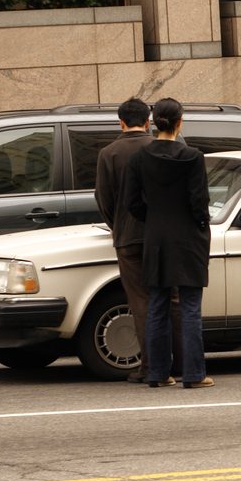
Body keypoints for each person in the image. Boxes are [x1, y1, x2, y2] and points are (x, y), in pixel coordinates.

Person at [125, 98, 214, 389]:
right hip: (188, 237)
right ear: (180, 122)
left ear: (154, 122)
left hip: (156, 237)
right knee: (190, 306)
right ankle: (194, 374)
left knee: (157, 305)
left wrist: (153, 219)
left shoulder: (139, 158)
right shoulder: (193, 157)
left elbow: (132, 202)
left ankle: (158, 373)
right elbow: (199, 201)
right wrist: (201, 224)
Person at [94, 97, 162, 384]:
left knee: (140, 301)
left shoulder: (108, 153)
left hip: (127, 237)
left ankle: (150, 366)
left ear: (121, 122)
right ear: (147, 121)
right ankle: (177, 362)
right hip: (161, 235)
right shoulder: (158, 148)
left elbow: (103, 199)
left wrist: (117, 225)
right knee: (168, 298)